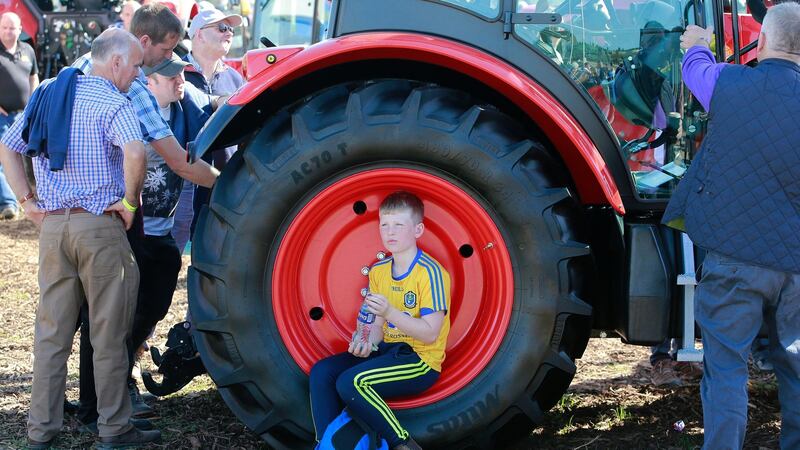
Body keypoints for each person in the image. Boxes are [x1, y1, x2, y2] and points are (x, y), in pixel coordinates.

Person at [0, 28, 161, 449]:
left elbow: (7, 144)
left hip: (53, 228)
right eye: (137, 67)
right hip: (99, 228)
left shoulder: (48, 91)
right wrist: (128, 204)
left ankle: (40, 432)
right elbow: (136, 151)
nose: (138, 77)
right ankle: (114, 428)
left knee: (51, 334)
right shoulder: (113, 101)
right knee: (108, 333)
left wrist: (27, 201)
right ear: (116, 63)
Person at [70, 2, 220, 422]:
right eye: (167, 52)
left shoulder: (77, 71)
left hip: (83, 213)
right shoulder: (130, 84)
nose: (170, 63)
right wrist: (233, 186)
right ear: (143, 42)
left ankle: (88, 402)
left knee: (96, 311)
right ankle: (100, 405)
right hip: (117, 215)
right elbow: (176, 159)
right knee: (107, 312)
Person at [662, 5, 800, 449]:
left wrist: (698, 45)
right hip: (796, 268)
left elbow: (695, 69)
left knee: (726, 369)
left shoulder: (728, 83)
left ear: (759, 43)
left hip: (733, 261)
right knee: (797, 367)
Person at [310, 191, 450, 450]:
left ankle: (403, 444)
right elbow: (375, 327)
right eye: (384, 225)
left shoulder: (431, 273)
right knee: (322, 373)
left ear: (418, 230)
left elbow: (430, 334)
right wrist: (365, 342)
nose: (390, 232)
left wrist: (391, 313)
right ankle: (330, 444)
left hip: (419, 359)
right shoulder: (379, 271)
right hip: (387, 351)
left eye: (399, 225)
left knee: (352, 382)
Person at [172, 5, 244, 255]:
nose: (229, 33)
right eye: (222, 27)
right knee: (169, 261)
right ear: (199, 34)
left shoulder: (237, 80)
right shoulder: (177, 74)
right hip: (181, 186)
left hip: (223, 185)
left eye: (231, 29)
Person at [0, 12, 39, 220]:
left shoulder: (28, 50)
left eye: (12, 28)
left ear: (20, 30)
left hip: (24, 115)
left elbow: (34, 77)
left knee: (32, 157)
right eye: (4, 27)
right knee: (2, 158)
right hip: (1, 116)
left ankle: (36, 197)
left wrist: (35, 104)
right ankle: (8, 204)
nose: (8, 31)